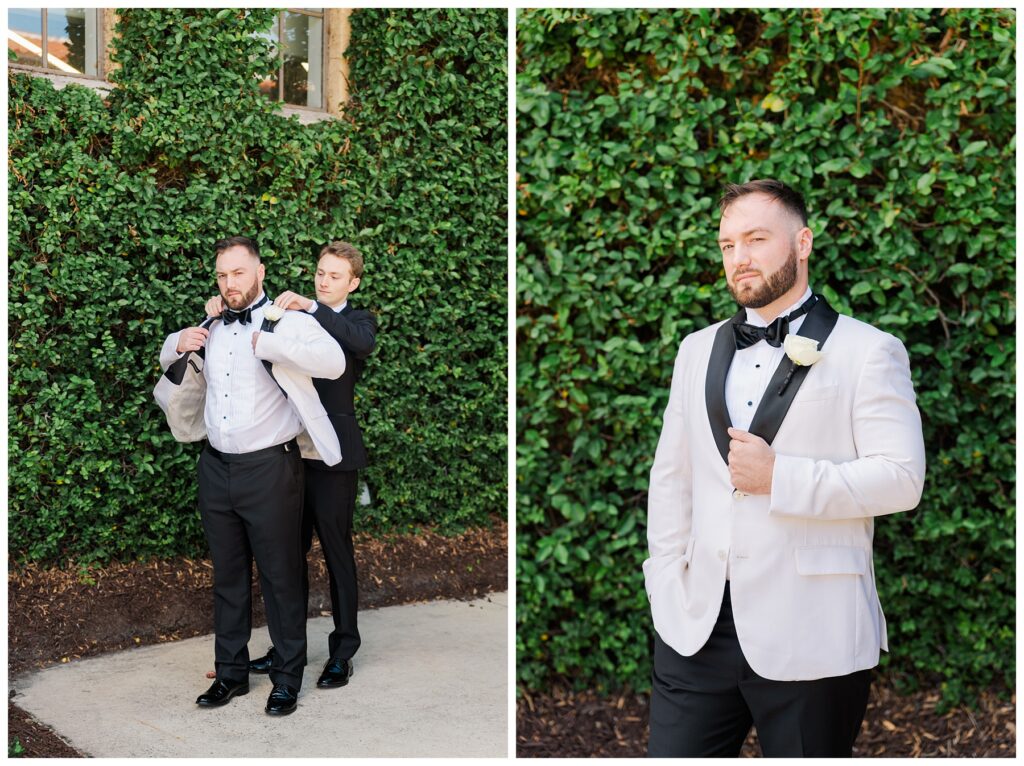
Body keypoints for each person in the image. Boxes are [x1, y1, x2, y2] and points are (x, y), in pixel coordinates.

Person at [644, 179, 926, 757]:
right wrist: (665, 576)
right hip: (695, 627)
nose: (739, 257)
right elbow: (672, 477)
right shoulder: (695, 349)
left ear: (802, 243)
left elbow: (902, 477)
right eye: (727, 245)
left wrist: (783, 477)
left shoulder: (868, 350)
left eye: (755, 239)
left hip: (813, 631)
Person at [159, 236, 346, 716]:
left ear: (260, 271)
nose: (230, 283)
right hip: (216, 467)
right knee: (228, 577)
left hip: (271, 469)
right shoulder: (212, 323)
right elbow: (173, 364)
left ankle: (287, 678)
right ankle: (231, 675)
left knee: (282, 577)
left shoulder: (290, 321)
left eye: (238, 273)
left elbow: (335, 361)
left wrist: (273, 342)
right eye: (222, 274)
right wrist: (175, 342)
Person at [205, 241, 377, 689]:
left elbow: (356, 346)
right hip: (285, 455)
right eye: (321, 272)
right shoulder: (292, 314)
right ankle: (286, 650)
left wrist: (313, 310)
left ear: (353, 282)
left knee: (337, 552)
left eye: (335, 276)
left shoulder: (351, 321)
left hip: (330, 456)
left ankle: (343, 650)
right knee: (285, 559)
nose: (323, 281)